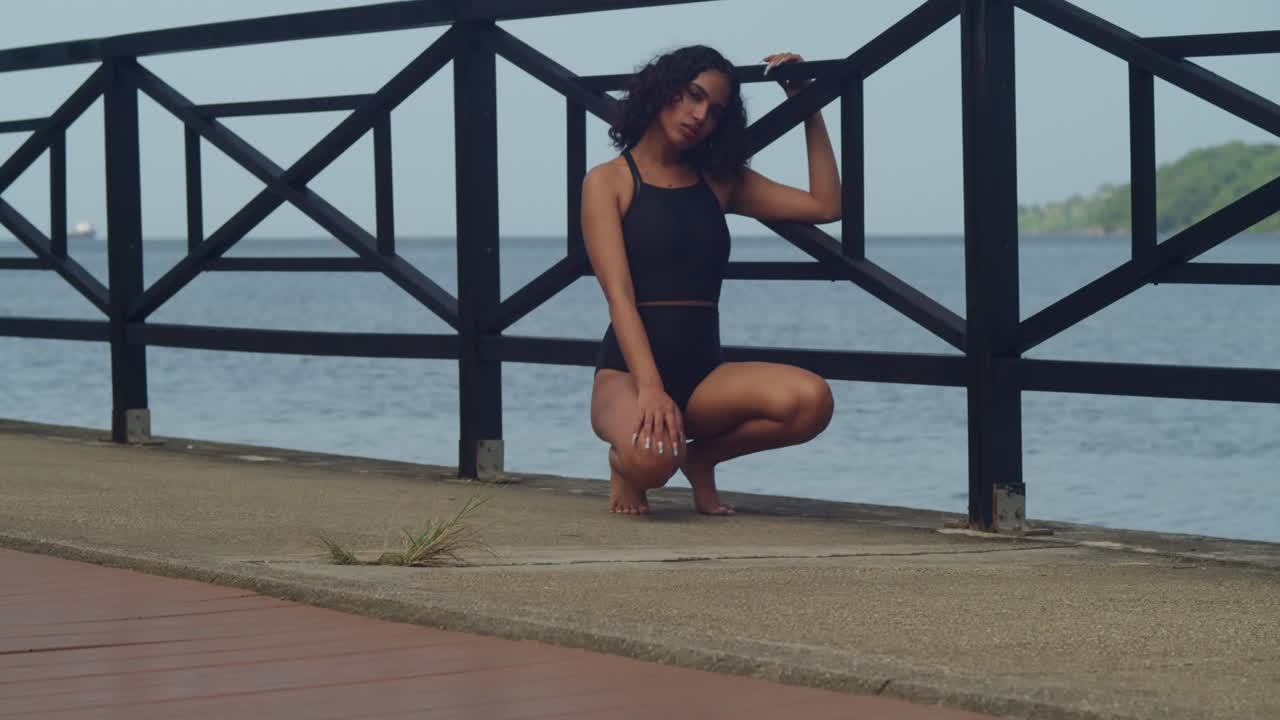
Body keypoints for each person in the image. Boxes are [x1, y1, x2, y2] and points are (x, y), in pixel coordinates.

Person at [583, 45, 840, 516]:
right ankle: (626, 465)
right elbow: (618, 295)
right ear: (663, 90)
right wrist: (650, 388)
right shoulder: (608, 181)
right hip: (627, 375)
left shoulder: (719, 182)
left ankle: (702, 459)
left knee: (810, 401)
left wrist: (805, 103)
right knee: (653, 461)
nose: (699, 114)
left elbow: (826, 205)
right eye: (692, 95)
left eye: (714, 110)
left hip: (704, 378)